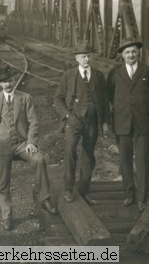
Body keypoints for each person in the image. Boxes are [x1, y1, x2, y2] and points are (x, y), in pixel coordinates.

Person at [0, 66, 57, 231]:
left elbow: (34, 122)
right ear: (0, 84)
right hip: (1, 145)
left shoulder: (25, 98)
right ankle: (7, 215)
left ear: (14, 81)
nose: (8, 84)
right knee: (3, 182)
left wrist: (31, 142)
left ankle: (45, 198)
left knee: (39, 159)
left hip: (22, 143)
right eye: (4, 82)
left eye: (10, 81)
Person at [106, 37, 149, 212]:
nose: (131, 55)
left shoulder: (148, 72)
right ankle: (129, 194)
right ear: (122, 55)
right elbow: (110, 94)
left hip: (142, 124)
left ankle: (142, 198)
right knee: (125, 160)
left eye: (134, 52)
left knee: (143, 160)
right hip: (122, 123)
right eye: (128, 52)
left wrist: (140, 109)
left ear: (139, 53)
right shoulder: (115, 73)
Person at [54, 41, 110, 204]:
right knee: (70, 152)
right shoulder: (68, 76)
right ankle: (68, 189)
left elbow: (105, 101)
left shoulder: (98, 76)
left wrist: (105, 122)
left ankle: (84, 191)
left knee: (88, 155)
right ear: (77, 58)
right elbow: (58, 99)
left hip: (92, 121)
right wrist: (67, 116)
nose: (86, 59)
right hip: (74, 121)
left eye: (88, 56)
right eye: (83, 56)